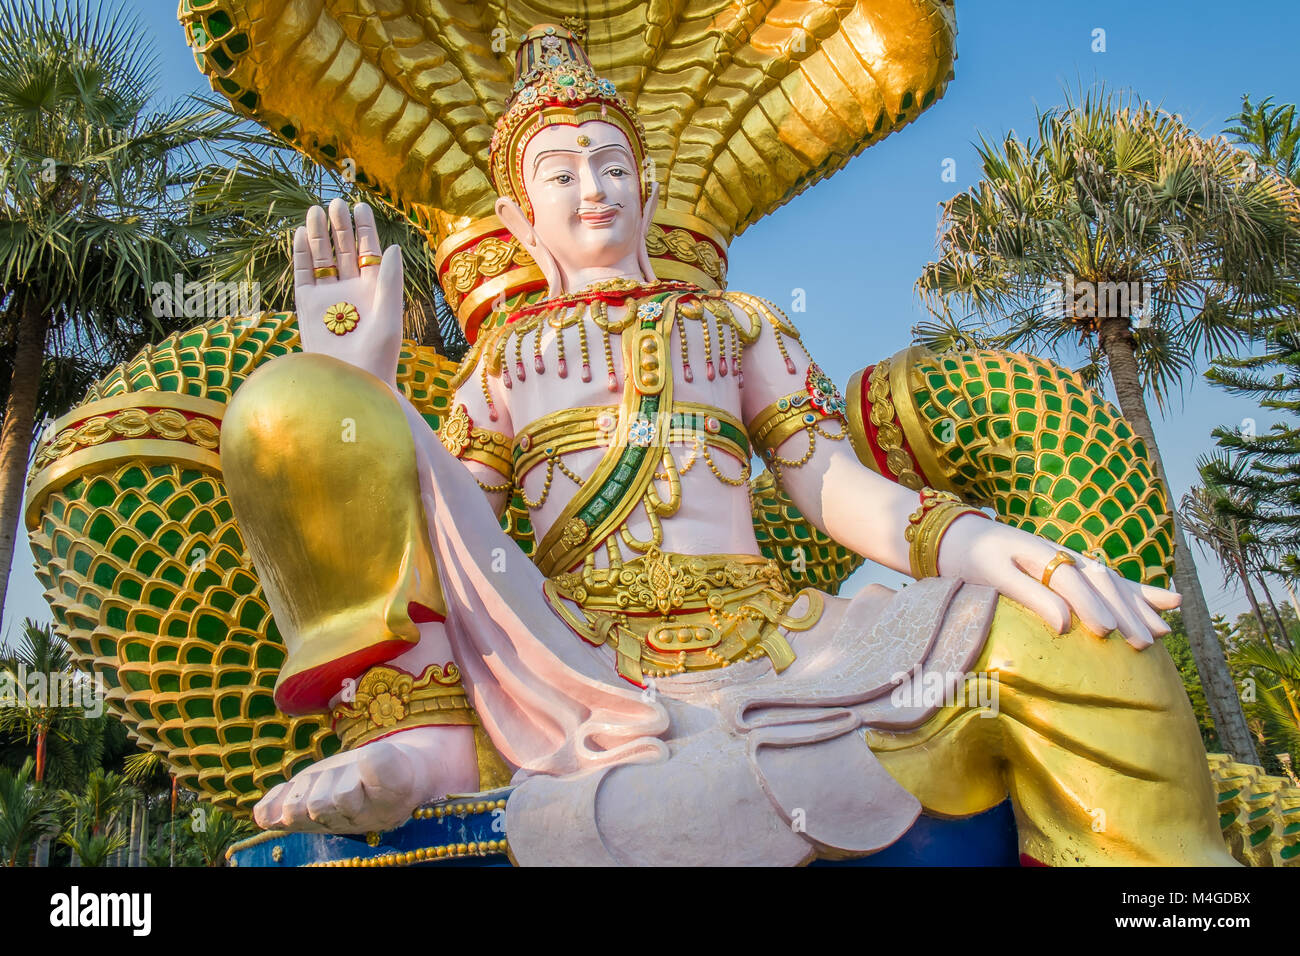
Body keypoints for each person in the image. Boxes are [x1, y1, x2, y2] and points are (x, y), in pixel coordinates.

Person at [221, 23, 1234, 866]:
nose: (594, 189)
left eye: (613, 165)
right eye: (561, 173)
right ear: (520, 218)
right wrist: (358, 386)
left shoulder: (734, 321)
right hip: (583, 660)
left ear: (649, 191)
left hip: (787, 638)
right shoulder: (499, 361)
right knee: (294, 402)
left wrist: (975, 545)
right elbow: (458, 540)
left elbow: (829, 482)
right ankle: (415, 744)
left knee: (1070, 627)